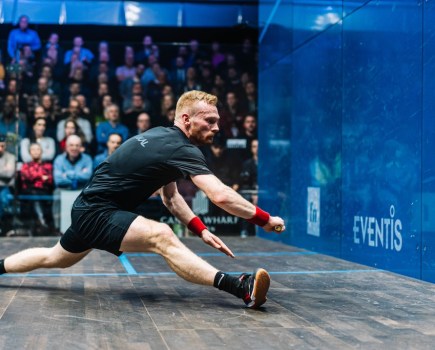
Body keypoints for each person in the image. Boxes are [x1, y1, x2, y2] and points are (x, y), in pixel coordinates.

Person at [0, 91, 285, 309]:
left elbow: (170, 197)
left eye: (218, 122)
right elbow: (220, 194)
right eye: (210, 121)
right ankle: (241, 287)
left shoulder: (160, 137)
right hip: (98, 212)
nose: (217, 127)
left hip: (89, 210)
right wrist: (265, 219)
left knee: (55, 258)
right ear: (187, 119)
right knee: (162, 235)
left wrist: (201, 229)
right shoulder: (182, 148)